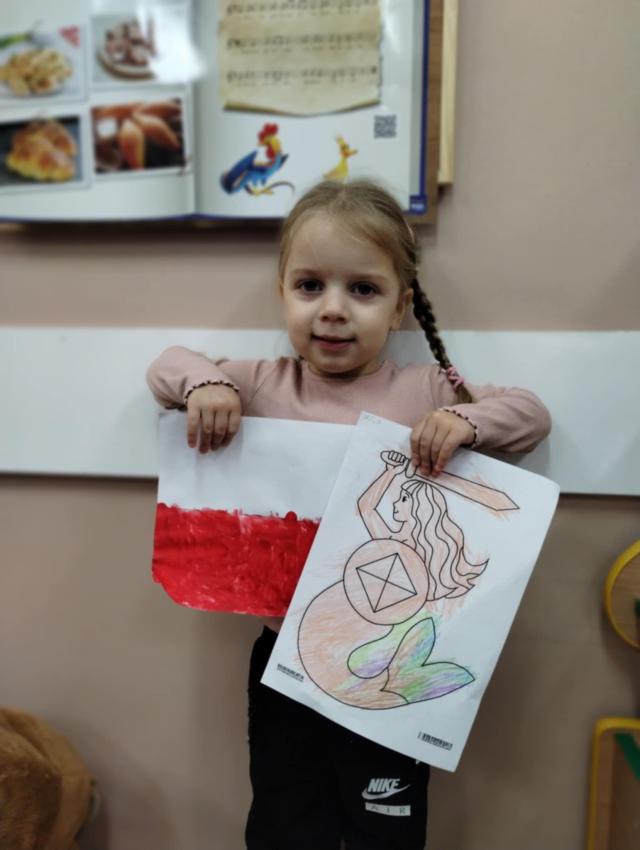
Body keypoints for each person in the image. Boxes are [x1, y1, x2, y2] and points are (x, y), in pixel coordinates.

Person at [146, 178, 551, 850]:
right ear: (282, 293)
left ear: (398, 308)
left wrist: (466, 422)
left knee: (383, 828)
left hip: (391, 658)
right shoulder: (260, 382)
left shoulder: (427, 389)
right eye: (310, 286)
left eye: (362, 289)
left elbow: (531, 415)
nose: (333, 310)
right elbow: (166, 366)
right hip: (285, 657)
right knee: (284, 821)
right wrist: (206, 382)